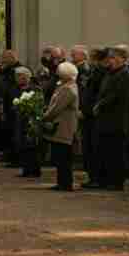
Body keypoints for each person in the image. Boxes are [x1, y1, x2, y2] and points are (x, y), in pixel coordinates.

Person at [90, 45, 129, 190]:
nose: (111, 61)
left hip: (116, 119)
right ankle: (105, 179)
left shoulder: (125, 74)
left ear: (123, 59)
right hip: (105, 119)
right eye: (111, 58)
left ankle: (116, 181)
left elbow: (116, 95)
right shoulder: (110, 73)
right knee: (105, 150)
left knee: (116, 152)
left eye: (114, 58)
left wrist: (100, 104)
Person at [43, 61, 80, 191]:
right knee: (60, 156)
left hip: (64, 126)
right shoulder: (65, 86)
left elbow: (57, 107)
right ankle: (62, 182)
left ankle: (65, 183)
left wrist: (45, 116)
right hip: (61, 125)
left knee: (64, 156)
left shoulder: (68, 89)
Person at [79, 48, 107, 187]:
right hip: (87, 113)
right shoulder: (93, 71)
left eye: (91, 57)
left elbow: (95, 94)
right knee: (88, 147)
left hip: (92, 115)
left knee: (93, 148)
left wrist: (87, 110)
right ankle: (92, 177)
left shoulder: (100, 72)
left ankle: (96, 178)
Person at [12, 66, 41, 177]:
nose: (17, 79)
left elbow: (37, 103)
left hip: (30, 120)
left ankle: (33, 169)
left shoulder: (34, 89)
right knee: (23, 144)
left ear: (25, 77)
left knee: (31, 145)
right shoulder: (19, 88)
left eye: (18, 76)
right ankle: (26, 168)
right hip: (21, 119)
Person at [0, 50, 22, 165]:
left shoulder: (19, 70)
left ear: (12, 58)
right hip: (7, 103)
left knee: (14, 131)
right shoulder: (5, 70)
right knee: (7, 130)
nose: (3, 60)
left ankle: (15, 157)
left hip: (15, 103)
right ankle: (9, 154)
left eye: (5, 58)